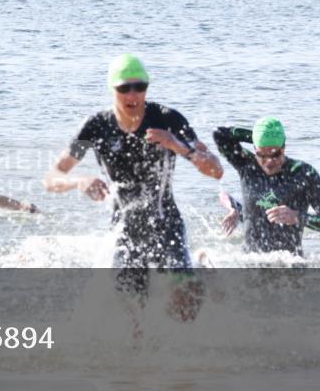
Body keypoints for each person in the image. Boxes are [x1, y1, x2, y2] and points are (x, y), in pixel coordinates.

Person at [43, 54, 222, 303]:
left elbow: (216, 171)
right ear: (112, 89)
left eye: (140, 87)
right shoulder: (96, 127)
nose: (132, 95)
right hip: (124, 231)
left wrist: (177, 145)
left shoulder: (167, 119)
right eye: (124, 88)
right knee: (131, 320)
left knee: (185, 304)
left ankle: (198, 273)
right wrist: (78, 181)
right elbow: (52, 177)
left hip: (166, 224)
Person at [214, 117, 320, 256]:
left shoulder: (304, 173)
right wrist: (257, 136)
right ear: (255, 149)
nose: (269, 162)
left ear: (284, 147)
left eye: (275, 154)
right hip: (249, 262)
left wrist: (297, 217)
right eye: (262, 155)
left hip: (289, 264)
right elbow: (220, 134)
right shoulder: (247, 165)